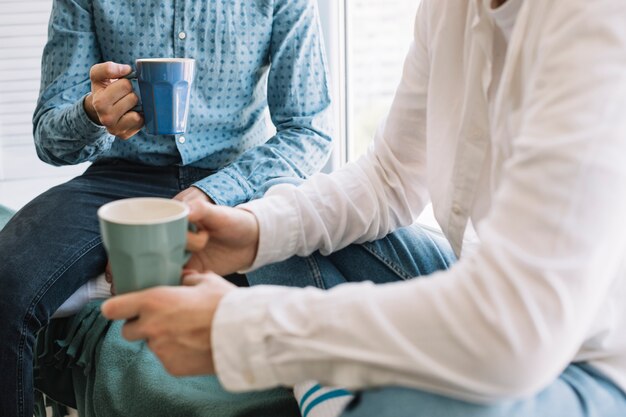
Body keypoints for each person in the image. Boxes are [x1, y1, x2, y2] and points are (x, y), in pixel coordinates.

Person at [102, 0, 626, 416]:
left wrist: (237, 328)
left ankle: (346, 395)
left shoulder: (594, 20)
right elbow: (389, 177)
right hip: (488, 289)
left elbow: (516, 326)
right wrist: (255, 232)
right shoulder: (449, 10)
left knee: (400, 409)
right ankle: (334, 390)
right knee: (280, 231)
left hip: (592, 358)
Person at [0, 0, 333, 415]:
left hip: (240, 183)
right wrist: (93, 115)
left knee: (322, 285)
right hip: (119, 178)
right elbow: (48, 138)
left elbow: (308, 131)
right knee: (6, 282)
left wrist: (214, 193)